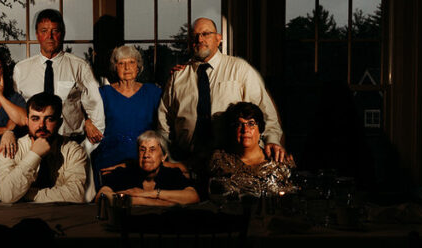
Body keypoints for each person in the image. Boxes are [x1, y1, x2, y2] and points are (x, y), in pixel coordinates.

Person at [157, 17, 287, 175]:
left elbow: (265, 112)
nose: (200, 39)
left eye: (206, 34)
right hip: (186, 162)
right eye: (195, 35)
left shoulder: (239, 69)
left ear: (218, 38)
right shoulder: (178, 76)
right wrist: (168, 157)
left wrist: (272, 140)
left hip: (232, 163)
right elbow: (164, 122)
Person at [12, 8, 104, 149]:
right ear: (37, 35)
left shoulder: (79, 67)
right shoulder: (21, 70)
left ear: (62, 34)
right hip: (32, 146)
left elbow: (97, 108)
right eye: (44, 31)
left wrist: (87, 147)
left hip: (70, 144)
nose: (50, 36)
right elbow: (14, 111)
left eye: (55, 31)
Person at [0, 92, 89, 204]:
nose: (41, 125)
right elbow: (6, 195)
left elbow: (76, 195)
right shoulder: (11, 147)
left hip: (61, 216)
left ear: (59, 123)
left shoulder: (73, 151)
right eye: (35, 119)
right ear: (27, 121)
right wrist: (34, 155)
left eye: (49, 119)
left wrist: (27, 195)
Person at [91, 44, 163, 185]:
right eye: (121, 63)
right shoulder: (103, 93)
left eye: (131, 62)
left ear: (138, 66)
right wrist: (87, 122)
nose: (126, 67)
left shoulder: (153, 92)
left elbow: (166, 120)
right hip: (110, 157)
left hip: (144, 158)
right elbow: (84, 111)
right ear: (115, 67)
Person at [208, 101, 297, 197]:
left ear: (260, 129)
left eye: (251, 123)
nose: (245, 129)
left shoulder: (278, 160)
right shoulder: (218, 161)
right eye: (239, 124)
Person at [95, 130, 199, 206]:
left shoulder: (172, 174)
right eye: (142, 150)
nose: (146, 155)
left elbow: (193, 196)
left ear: (163, 156)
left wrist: (146, 194)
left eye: (152, 149)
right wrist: (141, 200)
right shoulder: (125, 173)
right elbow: (101, 196)